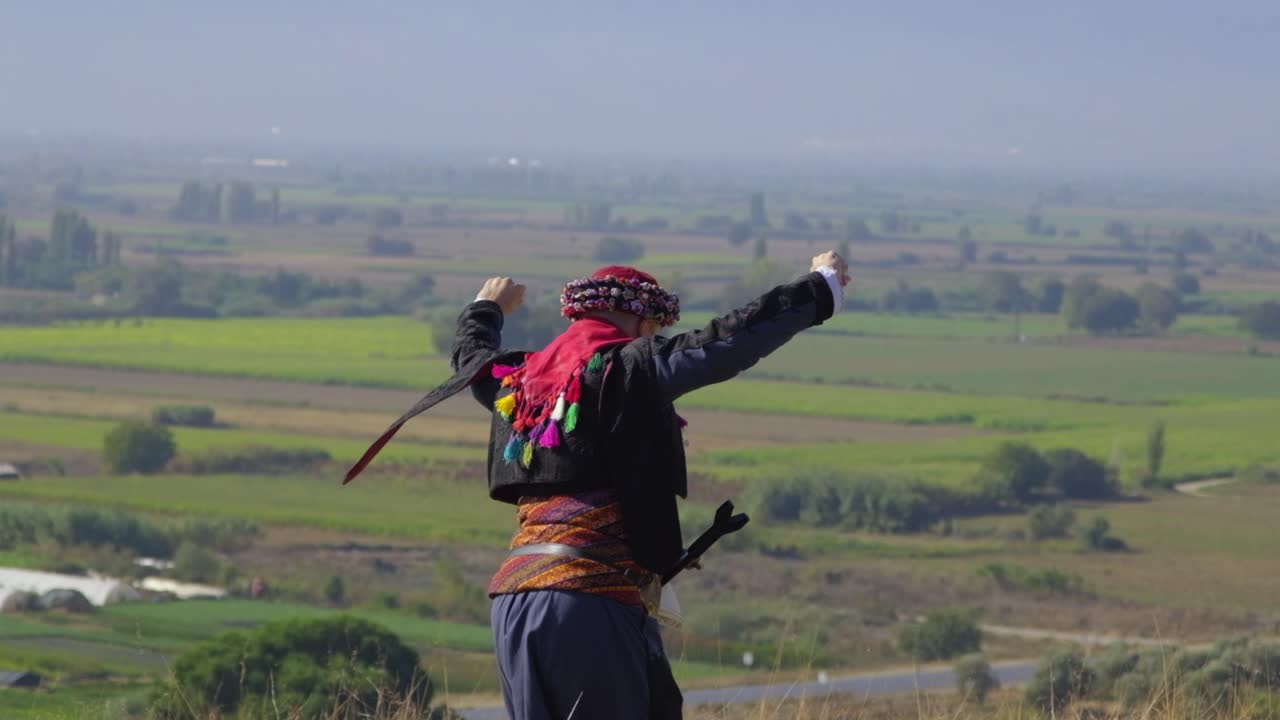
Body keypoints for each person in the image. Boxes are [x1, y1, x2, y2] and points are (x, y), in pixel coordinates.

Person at [345, 250, 849, 720]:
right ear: (640, 321)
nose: (656, 334)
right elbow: (729, 341)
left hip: (514, 599)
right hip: (586, 603)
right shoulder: (629, 368)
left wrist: (487, 307)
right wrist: (818, 287)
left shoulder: (518, 381)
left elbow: (471, 358)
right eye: (655, 326)